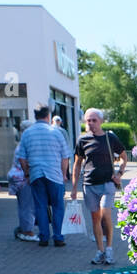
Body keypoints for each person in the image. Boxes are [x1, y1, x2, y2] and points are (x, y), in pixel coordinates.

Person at [71, 108, 126, 265]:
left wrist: (120, 173)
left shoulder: (110, 138)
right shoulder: (82, 140)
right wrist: (74, 188)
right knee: (95, 219)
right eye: (88, 120)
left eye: (94, 120)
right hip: (89, 185)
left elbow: (123, 157)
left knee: (105, 214)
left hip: (107, 183)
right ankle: (100, 251)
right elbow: (77, 164)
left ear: (101, 121)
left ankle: (109, 249)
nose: (91, 123)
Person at [17, 103, 70, 246]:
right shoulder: (56, 132)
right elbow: (65, 157)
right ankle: (58, 237)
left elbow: (21, 157)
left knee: (40, 206)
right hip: (55, 174)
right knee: (58, 206)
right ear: (48, 116)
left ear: (35, 116)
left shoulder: (27, 133)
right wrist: (64, 174)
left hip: (36, 174)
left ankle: (44, 237)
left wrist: (27, 173)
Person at [8, 128, 38, 241]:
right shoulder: (26, 146)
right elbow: (26, 161)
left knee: (25, 205)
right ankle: (27, 231)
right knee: (27, 206)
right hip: (24, 179)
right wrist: (28, 175)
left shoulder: (21, 144)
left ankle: (24, 228)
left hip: (18, 178)